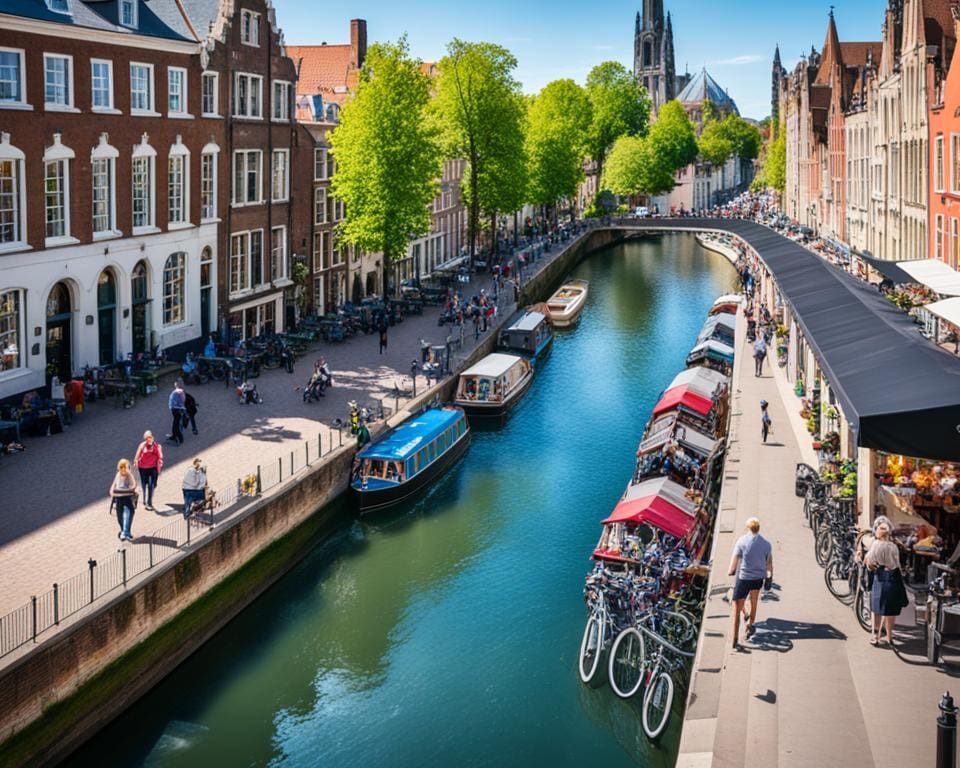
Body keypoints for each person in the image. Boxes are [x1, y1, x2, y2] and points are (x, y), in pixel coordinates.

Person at [728, 517, 773, 649]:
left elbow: (733, 564)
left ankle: (735, 640)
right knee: (754, 600)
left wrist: (731, 572)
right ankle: (750, 624)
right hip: (758, 578)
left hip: (744, 578)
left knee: (736, 606)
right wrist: (769, 576)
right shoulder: (766, 544)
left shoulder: (741, 541)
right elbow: (769, 564)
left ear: (748, 528)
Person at [865, 518, 908, 646]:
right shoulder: (893, 546)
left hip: (879, 577)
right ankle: (889, 636)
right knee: (890, 610)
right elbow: (897, 564)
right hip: (893, 578)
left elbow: (870, 563)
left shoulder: (875, 545)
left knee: (876, 608)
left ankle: (875, 636)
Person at [110, 458, 139, 542]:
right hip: (119, 498)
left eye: (125, 467)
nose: (123, 469)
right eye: (122, 467)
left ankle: (124, 532)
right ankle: (126, 531)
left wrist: (129, 489)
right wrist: (113, 491)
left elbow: (133, 485)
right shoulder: (118, 474)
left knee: (129, 514)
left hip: (127, 498)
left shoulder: (129, 475)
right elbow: (114, 484)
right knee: (120, 516)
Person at [133, 430, 163, 511]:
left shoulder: (156, 446)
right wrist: (136, 461)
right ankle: (144, 497)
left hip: (152, 468)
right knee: (144, 484)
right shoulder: (142, 445)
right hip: (143, 468)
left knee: (151, 485)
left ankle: (149, 502)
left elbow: (160, 455)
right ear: (145, 439)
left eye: (150, 437)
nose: (149, 439)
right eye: (147, 438)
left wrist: (155, 446)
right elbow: (137, 456)